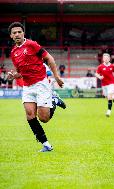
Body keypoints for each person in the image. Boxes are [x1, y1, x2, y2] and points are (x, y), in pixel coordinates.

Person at [7, 22, 66, 152]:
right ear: (11, 36)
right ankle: (46, 144)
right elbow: (20, 72)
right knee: (29, 115)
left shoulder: (32, 45)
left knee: (44, 118)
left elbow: (49, 58)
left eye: (19, 32)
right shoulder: (13, 53)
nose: (17, 34)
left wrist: (56, 77)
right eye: (14, 33)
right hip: (27, 86)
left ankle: (54, 100)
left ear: (23, 33)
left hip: (41, 83)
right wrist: (14, 76)